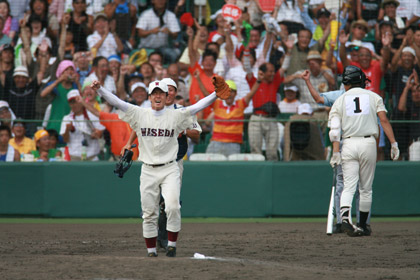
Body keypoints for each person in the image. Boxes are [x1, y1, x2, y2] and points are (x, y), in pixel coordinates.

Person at [90, 75, 230, 257]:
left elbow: (198, 106)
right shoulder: (140, 113)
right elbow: (117, 102)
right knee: (149, 212)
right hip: (147, 169)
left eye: (161, 93)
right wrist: (100, 89)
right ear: (149, 97)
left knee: (172, 206)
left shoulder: (176, 114)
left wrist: (215, 95)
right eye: (154, 93)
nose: (158, 96)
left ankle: (171, 245)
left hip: (170, 168)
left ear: (166, 97)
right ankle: (151, 251)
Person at [328, 65, 399, 237]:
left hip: (349, 144)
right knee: (366, 188)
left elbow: (335, 129)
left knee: (348, 187)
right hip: (368, 143)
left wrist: (336, 152)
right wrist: (393, 143)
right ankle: (363, 225)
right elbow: (383, 120)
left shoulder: (340, 100)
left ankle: (345, 219)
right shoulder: (374, 96)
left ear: (346, 82)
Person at [205, 79, 259, 157]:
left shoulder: (240, 104)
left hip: (234, 143)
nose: (229, 94)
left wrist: (259, 81)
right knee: (208, 166)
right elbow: (206, 96)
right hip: (215, 143)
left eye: (231, 91)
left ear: (236, 93)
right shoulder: (217, 104)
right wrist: (199, 79)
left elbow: (251, 94)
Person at [246, 62, 283, 161]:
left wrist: (288, 52)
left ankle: (273, 174)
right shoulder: (255, 81)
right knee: (255, 151)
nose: (272, 73)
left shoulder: (275, 81)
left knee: (272, 151)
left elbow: (284, 68)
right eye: (270, 71)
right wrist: (245, 50)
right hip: (256, 119)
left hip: (271, 119)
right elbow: (247, 68)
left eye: (273, 71)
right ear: (263, 72)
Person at [60, 89, 105, 161]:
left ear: (81, 101)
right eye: (71, 102)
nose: (74, 104)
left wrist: (95, 133)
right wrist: (67, 130)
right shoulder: (67, 118)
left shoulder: (92, 115)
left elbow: (100, 134)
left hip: (92, 157)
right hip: (74, 158)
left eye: (76, 101)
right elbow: (65, 140)